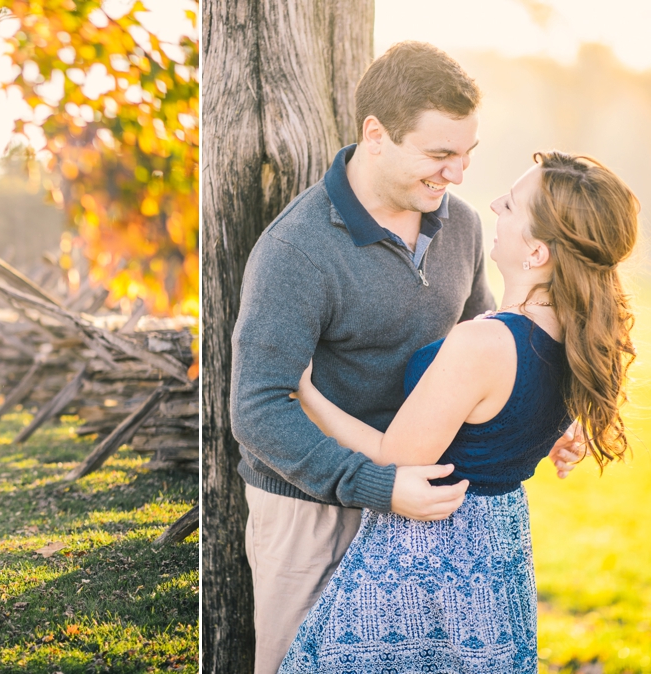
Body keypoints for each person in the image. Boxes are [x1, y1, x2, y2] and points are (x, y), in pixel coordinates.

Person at [230, 41, 582, 674]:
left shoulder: (465, 226)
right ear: (376, 135)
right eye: (440, 155)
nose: (457, 175)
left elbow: (481, 343)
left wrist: (540, 422)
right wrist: (378, 486)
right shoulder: (296, 250)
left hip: (421, 514)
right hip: (313, 505)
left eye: (467, 155)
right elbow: (257, 407)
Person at [279, 151, 638, 672]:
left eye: (511, 206)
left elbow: (394, 458)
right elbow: (515, 409)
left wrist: (308, 396)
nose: (493, 205)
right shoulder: (576, 333)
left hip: (429, 558)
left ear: (537, 252)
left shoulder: (485, 344)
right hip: (497, 555)